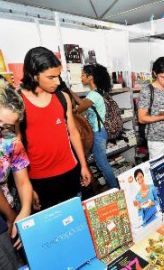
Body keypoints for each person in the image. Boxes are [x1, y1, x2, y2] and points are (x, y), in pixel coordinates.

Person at [19, 46, 91, 210]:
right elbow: (17, 149)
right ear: (33, 74)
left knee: (75, 221)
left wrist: (83, 165)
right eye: (51, 77)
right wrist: (27, 188)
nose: (57, 82)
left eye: (58, 76)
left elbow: (72, 132)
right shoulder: (18, 103)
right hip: (39, 179)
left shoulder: (62, 97)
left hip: (70, 173)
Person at [0, 78, 33, 269]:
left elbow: (22, 182)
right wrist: (12, 217)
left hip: (8, 215)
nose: (3, 130)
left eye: (7, 127)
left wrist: (25, 211)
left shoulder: (11, 141)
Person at [70, 64, 119, 189]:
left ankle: (114, 188)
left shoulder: (93, 95)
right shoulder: (99, 92)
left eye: (83, 75)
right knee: (101, 162)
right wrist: (70, 92)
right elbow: (83, 103)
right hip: (102, 131)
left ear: (90, 77)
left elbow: (79, 108)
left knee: (102, 163)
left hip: (98, 133)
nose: (81, 77)